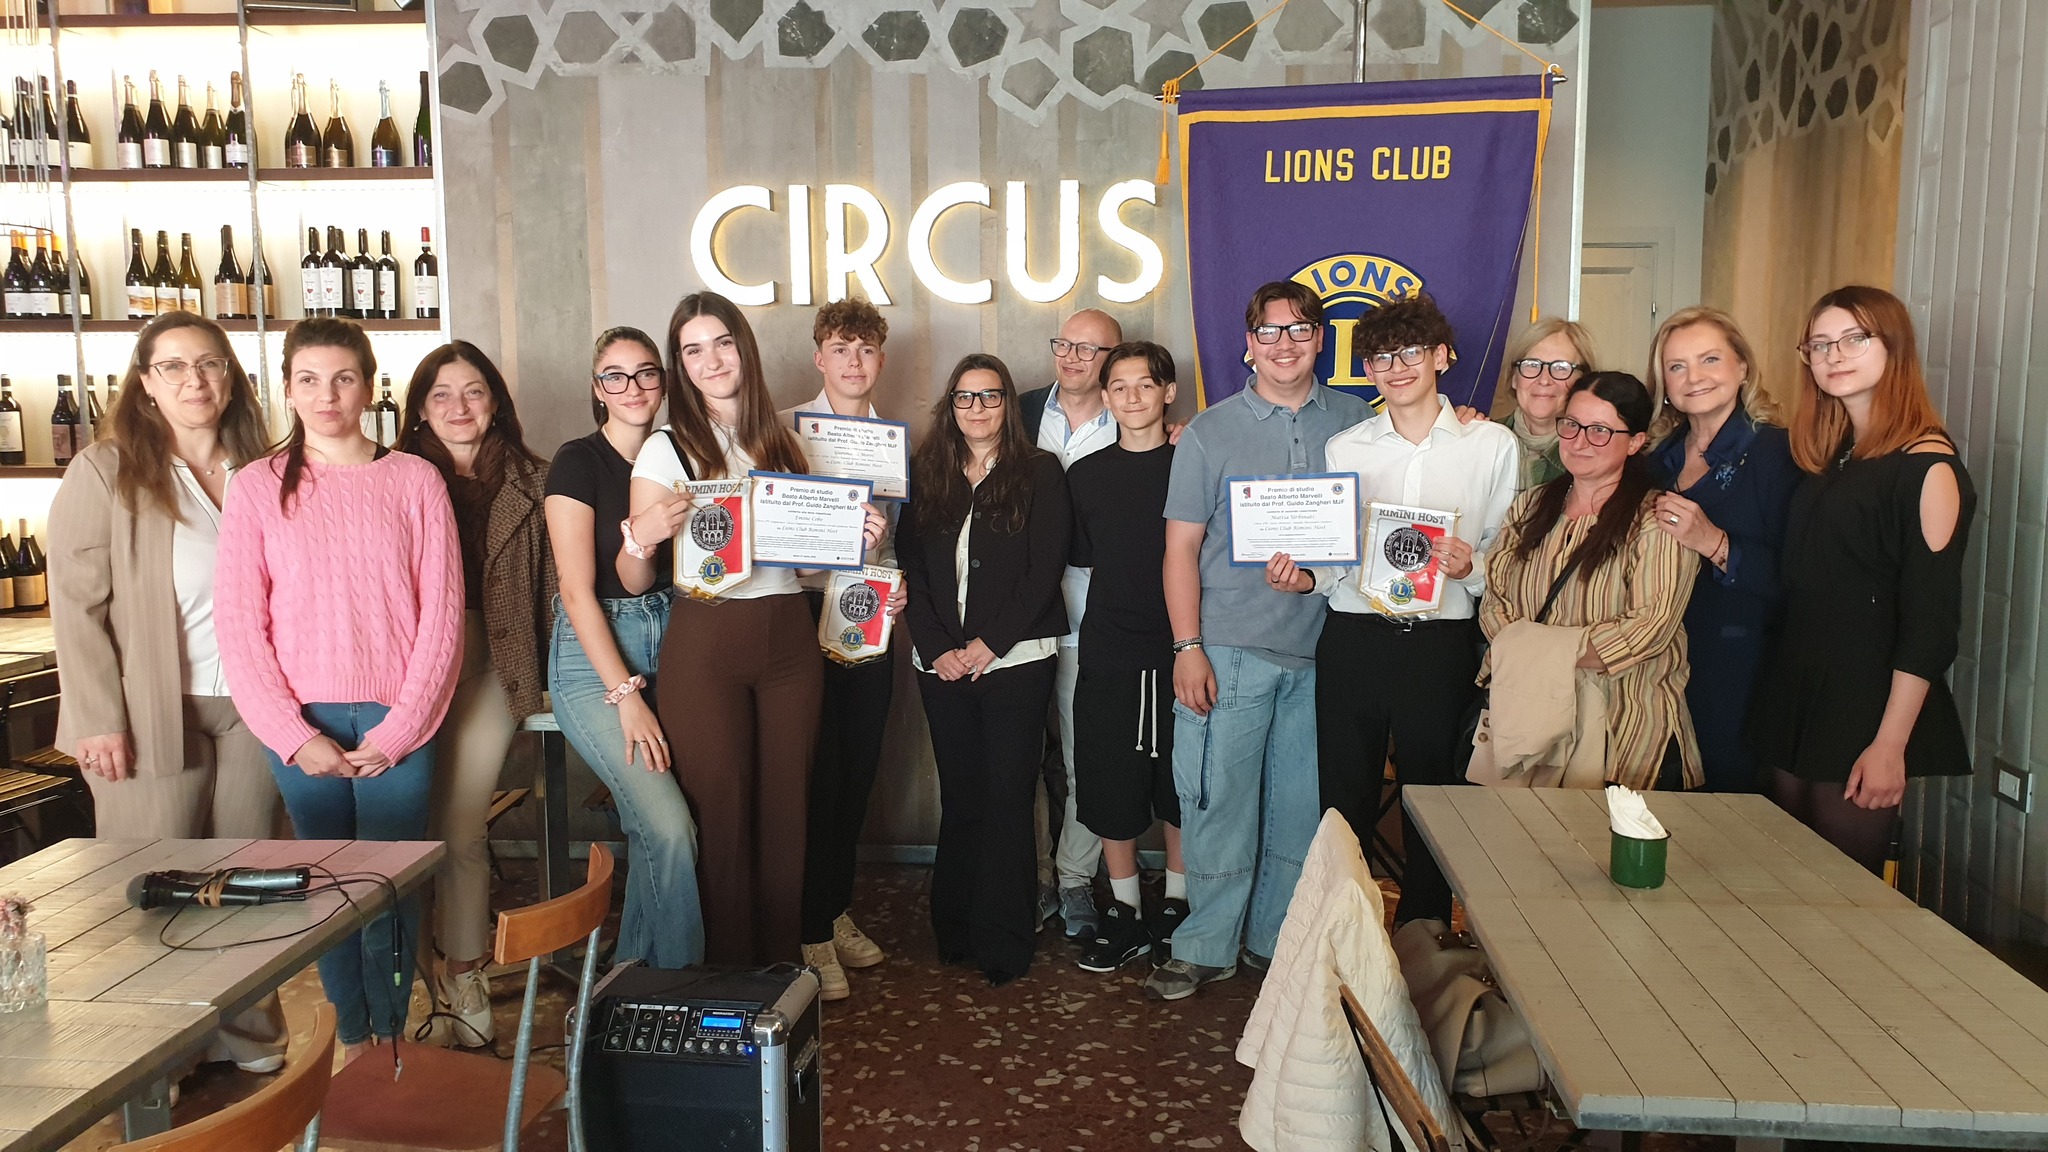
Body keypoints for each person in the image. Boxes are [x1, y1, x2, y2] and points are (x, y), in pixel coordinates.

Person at [216, 317, 463, 1063]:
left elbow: (442, 615)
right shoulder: (255, 486)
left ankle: (391, 1039)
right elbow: (241, 625)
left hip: (399, 720)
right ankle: (353, 1038)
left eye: (344, 379)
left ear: (370, 386)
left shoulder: (415, 479)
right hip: (303, 722)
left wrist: (401, 730)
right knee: (326, 893)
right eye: (310, 380)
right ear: (287, 389)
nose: (327, 396)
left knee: (389, 889)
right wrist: (293, 737)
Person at [48, 311, 287, 1075]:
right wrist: (97, 718)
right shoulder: (106, 470)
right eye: (174, 366)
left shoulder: (265, 468)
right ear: (146, 384)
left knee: (245, 878)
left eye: (210, 363)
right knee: (151, 885)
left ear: (232, 379)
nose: (195, 380)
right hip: (148, 710)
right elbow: (75, 605)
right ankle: (156, 1062)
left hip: (254, 708)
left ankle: (247, 1035)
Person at [623, 291, 884, 965]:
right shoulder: (665, 448)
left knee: (787, 810)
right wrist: (640, 536)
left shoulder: (784, 442)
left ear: (744, 347)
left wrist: (855, 540)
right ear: (680, 365)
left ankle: (778, 973)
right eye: (693, 350)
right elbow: (633, 579)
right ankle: (728, 979)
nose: (711, 360)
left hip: (789, 638)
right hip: (706, 642)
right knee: (723, 811)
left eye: (722, 343)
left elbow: (805, 567)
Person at [1268, 293, 1518, 926]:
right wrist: (1303, 579)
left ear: (1442, 357)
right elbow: (1334, 558)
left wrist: (1472, 567)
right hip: (1354, 636)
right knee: (1342, 797)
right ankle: (1342, 933)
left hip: (1439, 644)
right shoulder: (1347, 448)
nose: (1395, 368)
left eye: (1409, 353)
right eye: (1380, 358)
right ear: (1368, 370)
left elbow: (1509, 554)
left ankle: (1426, 932)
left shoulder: (1491, 445)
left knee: (1433, 797)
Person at [1152, 280, 1371, 1001]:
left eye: (1300, 330)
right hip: (1229, 647)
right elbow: (1180, 548)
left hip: (1326, 649)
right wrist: (1187, 647)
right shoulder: (1210, 431)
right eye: (1270, 332)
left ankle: (1274, 941)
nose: (1285, 344)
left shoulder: (1357, 421)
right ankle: (1204, 944)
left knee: (1300, 813)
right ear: (1249, 345)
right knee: (1217, 802)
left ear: (1320, 340)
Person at [1749, 286, 1974, 873]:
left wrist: (1890, 745)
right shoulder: (1834, 454)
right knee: (1778, 881)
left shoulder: (1928, 465)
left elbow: (1931, 623)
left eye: (1854, 339)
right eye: (1819, 344)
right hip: (1798, 683)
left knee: (1840, 896)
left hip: (1864, 698)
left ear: (1893, 347)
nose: (1833, 356)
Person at [395, 341, 552, 1047]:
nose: (459, 407)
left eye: (474, 391)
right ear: (420, 409)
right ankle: (412, 980)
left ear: (496, 402)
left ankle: (464, 971)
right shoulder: (387, 475)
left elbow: (556, 585)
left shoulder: (535, 480)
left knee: (460, 825)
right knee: (402, 831)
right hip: (400, 669)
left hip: (494, 661)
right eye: (442, 395)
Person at [898, 353, 1070, 986]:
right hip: (940, 663)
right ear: (951, 405)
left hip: (1016, 660)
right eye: (965, 397)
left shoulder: (1040, 471)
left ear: (1007, 404)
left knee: (1007, 796)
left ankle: (1004, 940)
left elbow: (1044, 568)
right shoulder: (929, 471)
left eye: (990, 396)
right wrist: (937, 646)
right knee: (962, 793)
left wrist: (988, 645)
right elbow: (911, 567)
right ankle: (956, 929)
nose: (977, 408)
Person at [545, 326, 703, 969]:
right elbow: (575, 590)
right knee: (670, 829)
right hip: (596, 657)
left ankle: (629, 985)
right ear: (598, 388)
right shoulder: (578, 461)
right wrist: (626, 695)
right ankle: (681, 990)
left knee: (652, 827)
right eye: (616, 375)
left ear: (664, 384)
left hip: (677, 637)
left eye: (646, 373)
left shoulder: (683, 456)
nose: (632, 387)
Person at [1479, 371, 1701, 791]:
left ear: (1635, 442)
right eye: (1572, 425)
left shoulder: (1656, 519)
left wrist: (1531, 650)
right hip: (1528, 722)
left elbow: (1649, 628)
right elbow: (1494, 603)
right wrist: (1546, 653)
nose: (1580, 442)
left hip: (1625, 730)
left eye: (1600, 431)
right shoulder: (1530, 507)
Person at [783, 299, 908, 1002]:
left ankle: (833, 910)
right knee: (815, 777)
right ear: (819, 358)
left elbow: (900, 543)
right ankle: (808, 929)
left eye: (865, 350)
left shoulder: (893, 444)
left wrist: (899, 581)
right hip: (800, 616)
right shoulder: (783, 431)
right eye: (840, 348)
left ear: (880, 359)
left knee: (858, 771)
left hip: (867, 617)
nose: (853, 362)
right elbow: (765, 536)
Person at [1065, 341, 1185, 973]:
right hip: (1110, 645)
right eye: (1119, 386)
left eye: (1146, 384)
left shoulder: (1193, 463)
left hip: (1183, 646)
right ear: (1105, 396)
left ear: (1169, 392)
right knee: (1111, 777)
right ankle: (1126, 910)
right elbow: (1083, 557)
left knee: (1180, 781)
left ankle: (1180, 903)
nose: (1133, 396)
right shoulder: (1085, 475)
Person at [1644, 308, 1799, 794]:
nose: (1694, 377)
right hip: (1656, 661)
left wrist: (1714, 543)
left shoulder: (1779, 452)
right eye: (1677, 366)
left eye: (1709, 359)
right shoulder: (1656, 456)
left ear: (1742, 367)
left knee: (1725, 809)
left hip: (1740, 668)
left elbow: (1798, 577)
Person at [1018, 308, 1123, 940]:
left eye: (1089, 348)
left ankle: (1075, 877)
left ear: (1115, 358)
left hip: (1094, 616)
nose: (1072, 357)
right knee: (1019, 754)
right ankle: (1030, 875)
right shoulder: (1019, 410)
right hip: (1016, 616)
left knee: (1087, 755)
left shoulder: (1134, 417)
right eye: (1065, 344)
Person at [1498, 318, 1595, 490]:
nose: (1544, 380)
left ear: (1584, 380)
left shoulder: (1596, 454)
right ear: (1514, 378)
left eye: (1561, 367)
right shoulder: (1481, 439)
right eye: (1532, 365)